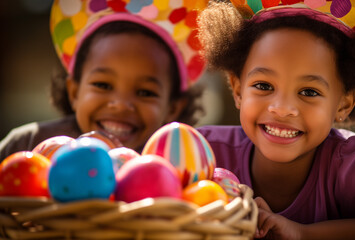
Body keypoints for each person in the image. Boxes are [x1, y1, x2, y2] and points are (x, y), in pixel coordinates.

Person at [196, 1, 355, 239]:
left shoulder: (350, 165)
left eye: (309, 92)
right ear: (237, 89)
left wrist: (304, 234)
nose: (282, 109)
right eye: (263, 86)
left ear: (344, 103)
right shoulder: (204, 153)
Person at [0, 0, 208, 160]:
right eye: (103, 85)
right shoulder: (26, 145)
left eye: (145, 92)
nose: (120, 104)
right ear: (74, 92)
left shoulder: (177, 165)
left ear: (172, 108)